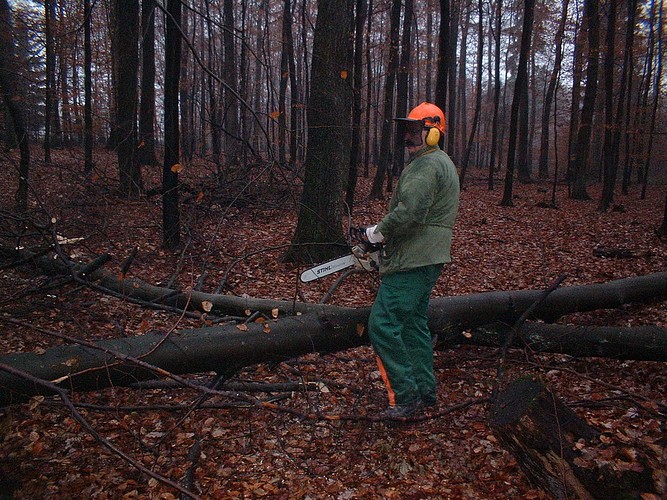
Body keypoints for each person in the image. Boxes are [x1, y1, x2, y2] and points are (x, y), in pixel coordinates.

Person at [356, 102, 460, 418]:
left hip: (415, 258)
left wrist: (377, 233)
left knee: (383, 324)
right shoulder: (439, 163)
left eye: (416, 130)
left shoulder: (427, 165)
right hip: (426, 256)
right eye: (407, 129)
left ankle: (404, 396)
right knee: (413, 325)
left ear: (433, 133)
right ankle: (424, 392)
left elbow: (411, 212)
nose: (408, 136)